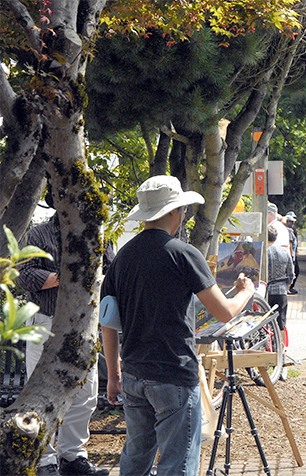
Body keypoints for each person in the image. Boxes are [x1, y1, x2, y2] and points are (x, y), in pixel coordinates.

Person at [101, 175, 255, 476]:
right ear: (173, 211)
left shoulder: (123, 257)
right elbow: (223, 313)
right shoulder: (183, 253)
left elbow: (108, 321)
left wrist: (113, 374)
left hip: (133, 372)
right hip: (173, 371)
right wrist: (245, 292)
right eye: (181, 209)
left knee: (135, 457)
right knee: (177, 463)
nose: (183, 214)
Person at [18, 191, 112, 476]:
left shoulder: (96, 234)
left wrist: (86, 278)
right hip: (46, 322)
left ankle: (73, 457)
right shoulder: (39, 234)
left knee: (87, 393)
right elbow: (26, 275)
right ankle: (45, 460)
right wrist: (70, 277)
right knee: (40, 393)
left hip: (84, 324)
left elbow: (111, 271)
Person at [266, 224, 294, 380]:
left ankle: (269, 351)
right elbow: (291, 274)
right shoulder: (285, 252)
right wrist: (286, 286)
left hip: (267, 292)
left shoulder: (264, 253)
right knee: (281, 323)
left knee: (267, 323)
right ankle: (282, 353)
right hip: (282, 291)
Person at [284, 211, 300, 294]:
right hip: (289, 255)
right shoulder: (288, 230)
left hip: (292, 254)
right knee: (292, 272)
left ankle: (290, 287)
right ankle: (289, 287)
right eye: (291, 221)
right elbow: (290, 244)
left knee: (294, 271)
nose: (292, 223)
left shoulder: (292, 229)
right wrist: (292, 255)